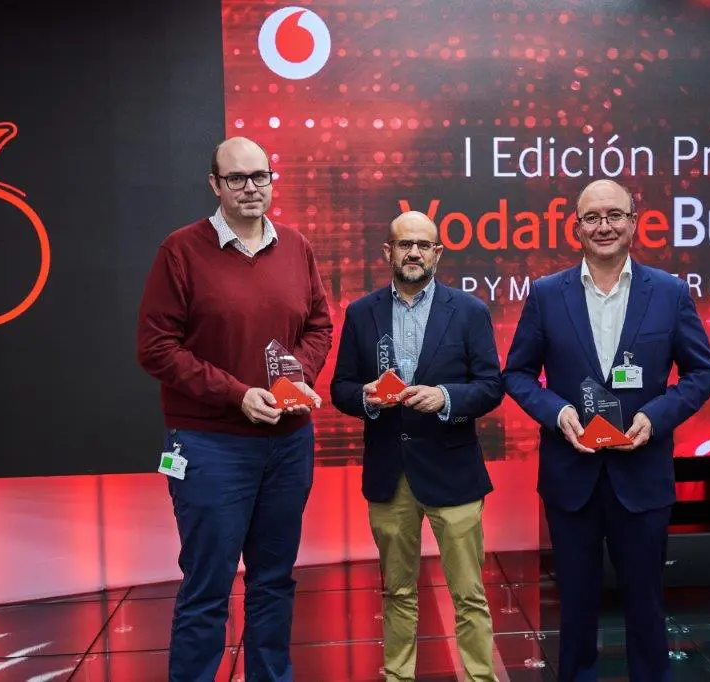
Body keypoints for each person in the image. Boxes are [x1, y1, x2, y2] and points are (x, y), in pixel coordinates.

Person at [502, 179, 710, 682]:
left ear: (634, 222)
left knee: (646, 602)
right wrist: (558, 413)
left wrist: (656, 415)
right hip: (570, 475)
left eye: (614, 215)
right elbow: (516, 373)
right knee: (574, 604)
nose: (604, 226)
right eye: (592, 217)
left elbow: (704, 372)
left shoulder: (669, 293)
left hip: (641, 475)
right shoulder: (545, 294)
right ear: (575, 227)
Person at [136, 136, 333, 682]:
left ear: (272, 179)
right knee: (208, 587)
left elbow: (319, 325)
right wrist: (237, 394)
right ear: (215, 184)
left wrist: (296, 376)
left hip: (289, 443)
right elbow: (156, 348)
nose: (251, 188)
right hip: (209, 447)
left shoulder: (296, 246)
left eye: (260, 176)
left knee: (274, 581)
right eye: (237, 179)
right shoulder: (180, 250)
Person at [330, 211, 504, 682]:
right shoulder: (361, 313)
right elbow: (340, 387)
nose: (413, 253)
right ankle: (398, 676)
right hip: (390, 474)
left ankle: (479, 678)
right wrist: (365, 396)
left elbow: (491, 387)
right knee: (397, 592)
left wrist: (447, 397)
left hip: (453, 471)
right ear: (387, 252)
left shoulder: (469, 311)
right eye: (404, 244)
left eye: (423, 245)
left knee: (469, 593)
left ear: (437, 253)